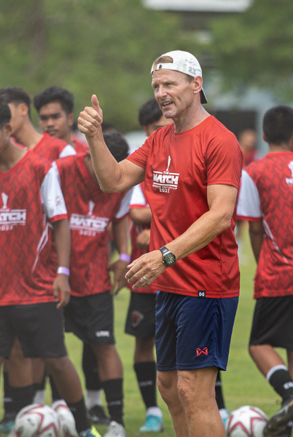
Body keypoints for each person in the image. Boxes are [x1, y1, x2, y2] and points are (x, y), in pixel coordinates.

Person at [78, 50, 242, 437]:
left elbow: (220, 215)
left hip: (207, 283)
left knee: (194, 390)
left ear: (196, 85)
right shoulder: (159, 140)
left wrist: (165, 254)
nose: (161, 93)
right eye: (156, 86)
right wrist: (95, 137)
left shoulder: (220, 140)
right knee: (170, 388)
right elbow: (113, 180)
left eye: (169, 84)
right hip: (169, 282)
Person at [0, 98, 100, 437]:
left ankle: (84, 428)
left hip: (38, 286)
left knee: (56, 359)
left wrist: (63, 273)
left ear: (7, 129)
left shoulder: (42, 167)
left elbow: (60, 222)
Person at [237, 106, 293, 437]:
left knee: (258, 344)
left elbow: (255, 227)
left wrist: (264, 263)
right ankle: (289, 422)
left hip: (283, 270)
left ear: (263, 136)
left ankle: (291, 396)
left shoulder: (254, 171)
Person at [54, 131, 132, 437]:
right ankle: (46, 410)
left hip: (96, 277)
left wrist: (124, 255)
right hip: (55, 277)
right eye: (102, 166)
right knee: (49, 349)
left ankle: (117, 421)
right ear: (88, 156)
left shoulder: (121, 177)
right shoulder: (60, 171)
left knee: (104, 345)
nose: (107, 175)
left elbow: (120, 218)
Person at [125, 98, 171, 433]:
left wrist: (156, 227)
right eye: (157, 128)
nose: (164, 132)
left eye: (167, 125)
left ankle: (219, 407)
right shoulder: (143, 163)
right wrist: (165, 219)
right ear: (145, 131)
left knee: (194, 343)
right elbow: (137, 212)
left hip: (182, 270)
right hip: (145, 275)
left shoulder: (186, 158)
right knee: (144, 342)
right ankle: (153, 411)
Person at [0, 87, 76, 160]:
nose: (50, 124)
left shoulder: (61, 150)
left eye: (6, 112)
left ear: (23, 109)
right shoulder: (1, 154)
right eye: (44, 118)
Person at [34, 86, 88, 153]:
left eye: (55, 117)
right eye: (44, 118)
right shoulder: (34, 157)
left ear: (70, 119)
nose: (49, 124)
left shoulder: (87, 157)